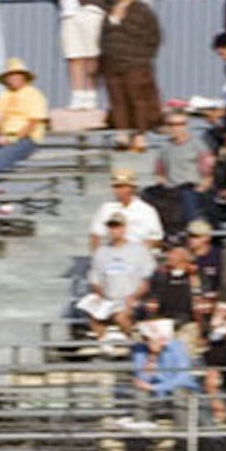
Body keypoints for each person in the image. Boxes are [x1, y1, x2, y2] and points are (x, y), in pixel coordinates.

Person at [100, 0, 162, 152]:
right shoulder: (108, 10)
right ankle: (122, 134)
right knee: (117, 100)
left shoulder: (142, 11)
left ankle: (140, 134)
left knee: (138, 99)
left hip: (135, 63)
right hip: (112, 63)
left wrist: (144, 57)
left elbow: (154, 36)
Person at [77, 212, 154, 353]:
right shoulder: (101, 252)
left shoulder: (139, 250)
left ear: (124, 228)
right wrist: (99, 296)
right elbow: (96, 279)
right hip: (109, 299)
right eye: (111, 227)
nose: (114, 230)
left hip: (132, 299)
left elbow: (147, 279)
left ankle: (134, 344)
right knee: (91, 313)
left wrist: (135, 297)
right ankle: (106, 347)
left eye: (117, 226)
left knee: (121, 316)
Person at [0, 58, 49, 177]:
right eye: (10, 76)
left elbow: (32, 123)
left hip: (27, 138)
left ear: (24, 77)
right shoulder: (3, 96)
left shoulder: (35, 95)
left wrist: (13, 138)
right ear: (6, 79)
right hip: (3, 137)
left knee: (4, 155)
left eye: (16, 75)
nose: (13, 78)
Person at [155, 108, 210, 224]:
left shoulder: (197, 145)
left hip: (190, 189)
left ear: (186, 125)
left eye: (180, 124)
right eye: (171, 124)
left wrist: (201, 187)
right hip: (171, 190)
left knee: (188, 199)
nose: (176, 128)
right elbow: (160, 172)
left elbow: (207, 173)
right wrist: (163, 184)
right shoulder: (164, 148)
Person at [88, 169, 164, 251]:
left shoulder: (146, 211)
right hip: (113, 253)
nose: (118, 190)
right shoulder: (106, 209)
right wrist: (98, 254)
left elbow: (156, 239)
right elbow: (96, 235)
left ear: (132, 188)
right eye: (116, 187)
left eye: (122, 186)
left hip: (139, 253)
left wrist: (137, 251)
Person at [131, 319, 199, 399]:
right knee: (141, 393)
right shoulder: (140, 349)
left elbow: (182, 378)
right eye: (145, 339)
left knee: (179, 391)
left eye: (148, 338)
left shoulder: (177, 347)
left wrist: (155, 387)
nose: (146, 342)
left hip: (179, 389)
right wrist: (152, 358)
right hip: (156, 390)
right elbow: (141, 379)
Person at [185, 220, 223, 289]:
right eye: (189, 235)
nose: (190, 239)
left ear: (207, 237)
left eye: (195, 236)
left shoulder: (219, 256)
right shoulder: (182, 256)